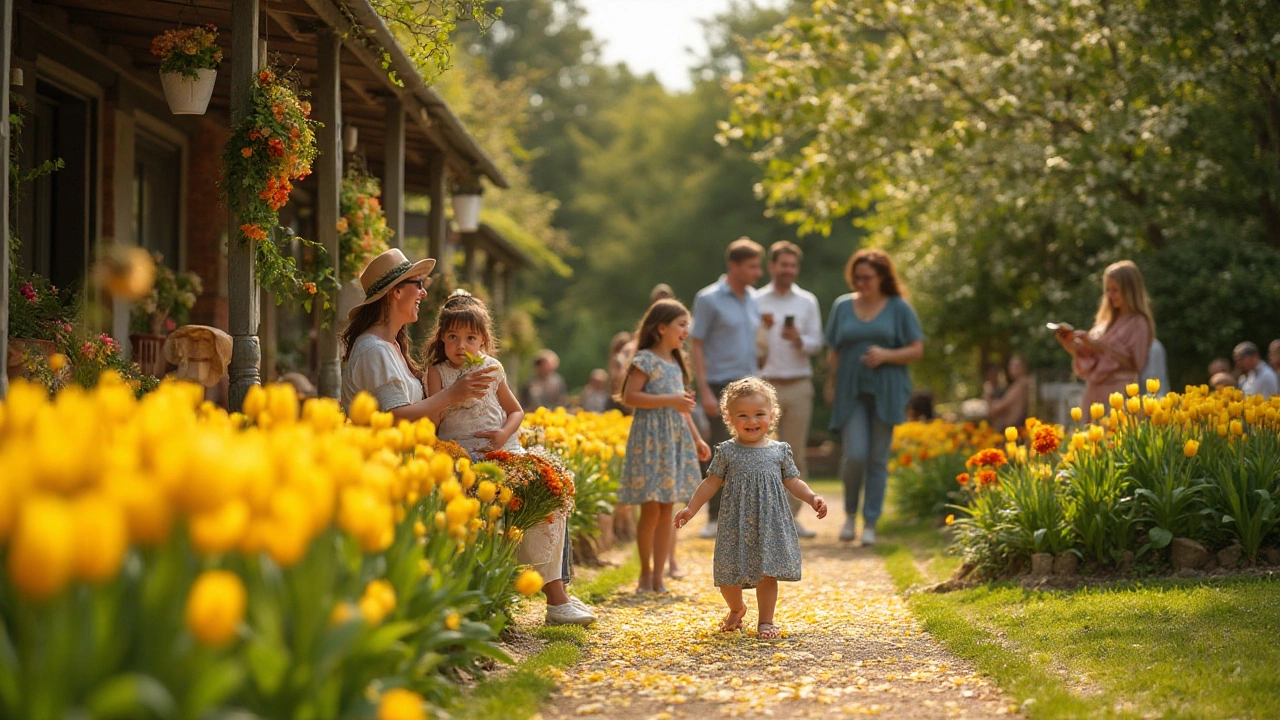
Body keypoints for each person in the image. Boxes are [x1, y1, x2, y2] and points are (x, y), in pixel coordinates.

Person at [423, 291, 596, 626]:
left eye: (470, 338)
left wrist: (503, 434)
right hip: (461, 458)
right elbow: (433, 422)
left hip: (503, 450)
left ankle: (556, 594)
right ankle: (547, 597)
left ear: (484, 341)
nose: (461, 345)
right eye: (453, 337)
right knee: (504, 499)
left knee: (551, 492)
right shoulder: (438, 373)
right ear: (441, 339)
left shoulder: (493, 368)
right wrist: (452, 396)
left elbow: (515, 411)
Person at [674, 378, 828, 640]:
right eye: (742, 415)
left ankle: (766, 622)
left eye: (759, 414)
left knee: (767, 573)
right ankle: (737, 608)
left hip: (769, 523)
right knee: (727, 576)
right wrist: (691, 508)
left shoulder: (779, 451)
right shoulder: (727, 452)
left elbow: (792, 481)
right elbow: (711, 482)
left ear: (772, 415)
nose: (751, 421)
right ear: (729, 418)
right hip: (736, 524)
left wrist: (812, 498)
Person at [824, 249, 924, 545]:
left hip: (888, 389)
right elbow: (834, 349)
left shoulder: (899, 307)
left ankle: (870, 522)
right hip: (850, 389)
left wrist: (887, 354)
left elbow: (917, 350)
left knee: (877, 459)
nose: (861, 283)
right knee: (854, 454)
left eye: (867, 278)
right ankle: (850, 515)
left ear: (882, 277)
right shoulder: (842, 306)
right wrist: (830, 383)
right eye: (856, 278)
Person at [617, 299, 711, 593]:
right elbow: (631, 397)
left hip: (674, 440)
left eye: (687, 325)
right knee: (651, 509)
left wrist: (696, 439)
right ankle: (645, 573)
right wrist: (670, 400)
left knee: (667, 509)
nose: (686, 330)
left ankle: (659, 576)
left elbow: (682, 408)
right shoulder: (645, 359)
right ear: (661, 328)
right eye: (681, 325)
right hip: (649, 440)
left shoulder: (677, 363)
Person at [341, 249, 497, 419]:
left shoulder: (392, 345)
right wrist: (451, 394)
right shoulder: (374, 349)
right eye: (419, 284)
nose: (424, 293)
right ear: (397, 292)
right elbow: (395, 416)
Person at [691, 237, 764, 538]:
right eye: (752, 266)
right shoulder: (708, 299)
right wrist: (705, 390)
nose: (758, 272)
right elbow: (696, 344)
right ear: (734, 266)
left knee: (751, 453)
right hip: (721, 385)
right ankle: (713, 517)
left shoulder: (755, 299)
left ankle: (745, 520)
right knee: (723, 453)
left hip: (751, 386)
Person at [753, 241, 823, 539]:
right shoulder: (754, 300)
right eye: (783, 264)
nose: (788, 270)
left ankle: (791, 519)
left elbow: (817, 343)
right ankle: (759, 520)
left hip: (798, 383)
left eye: (793, 265)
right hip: (763, 386)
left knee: (793, 454)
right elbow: (747, 341)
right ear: (772, 266)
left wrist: (799, 339)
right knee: (756, 455)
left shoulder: (807, 301)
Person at [1054, 260, 1155, 409]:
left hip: (1118, 394)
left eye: (1115, 290)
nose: (1110, 295)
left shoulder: (1138, 322)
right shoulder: (1105, 322)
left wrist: (1097, 344)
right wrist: (1072, 346)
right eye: (1107, 290)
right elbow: (1091, 361)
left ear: (1130, 290)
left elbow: (1136, 363)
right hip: (1094, 394)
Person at [987, 355, 1030, 432]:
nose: (1011, 367)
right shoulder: (1018, 384)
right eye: (1010, 365)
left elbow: (1001, 406)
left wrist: (990, 399)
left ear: (1024, 367)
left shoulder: (1021, 384)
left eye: (1016, 365)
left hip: (1015, 428)